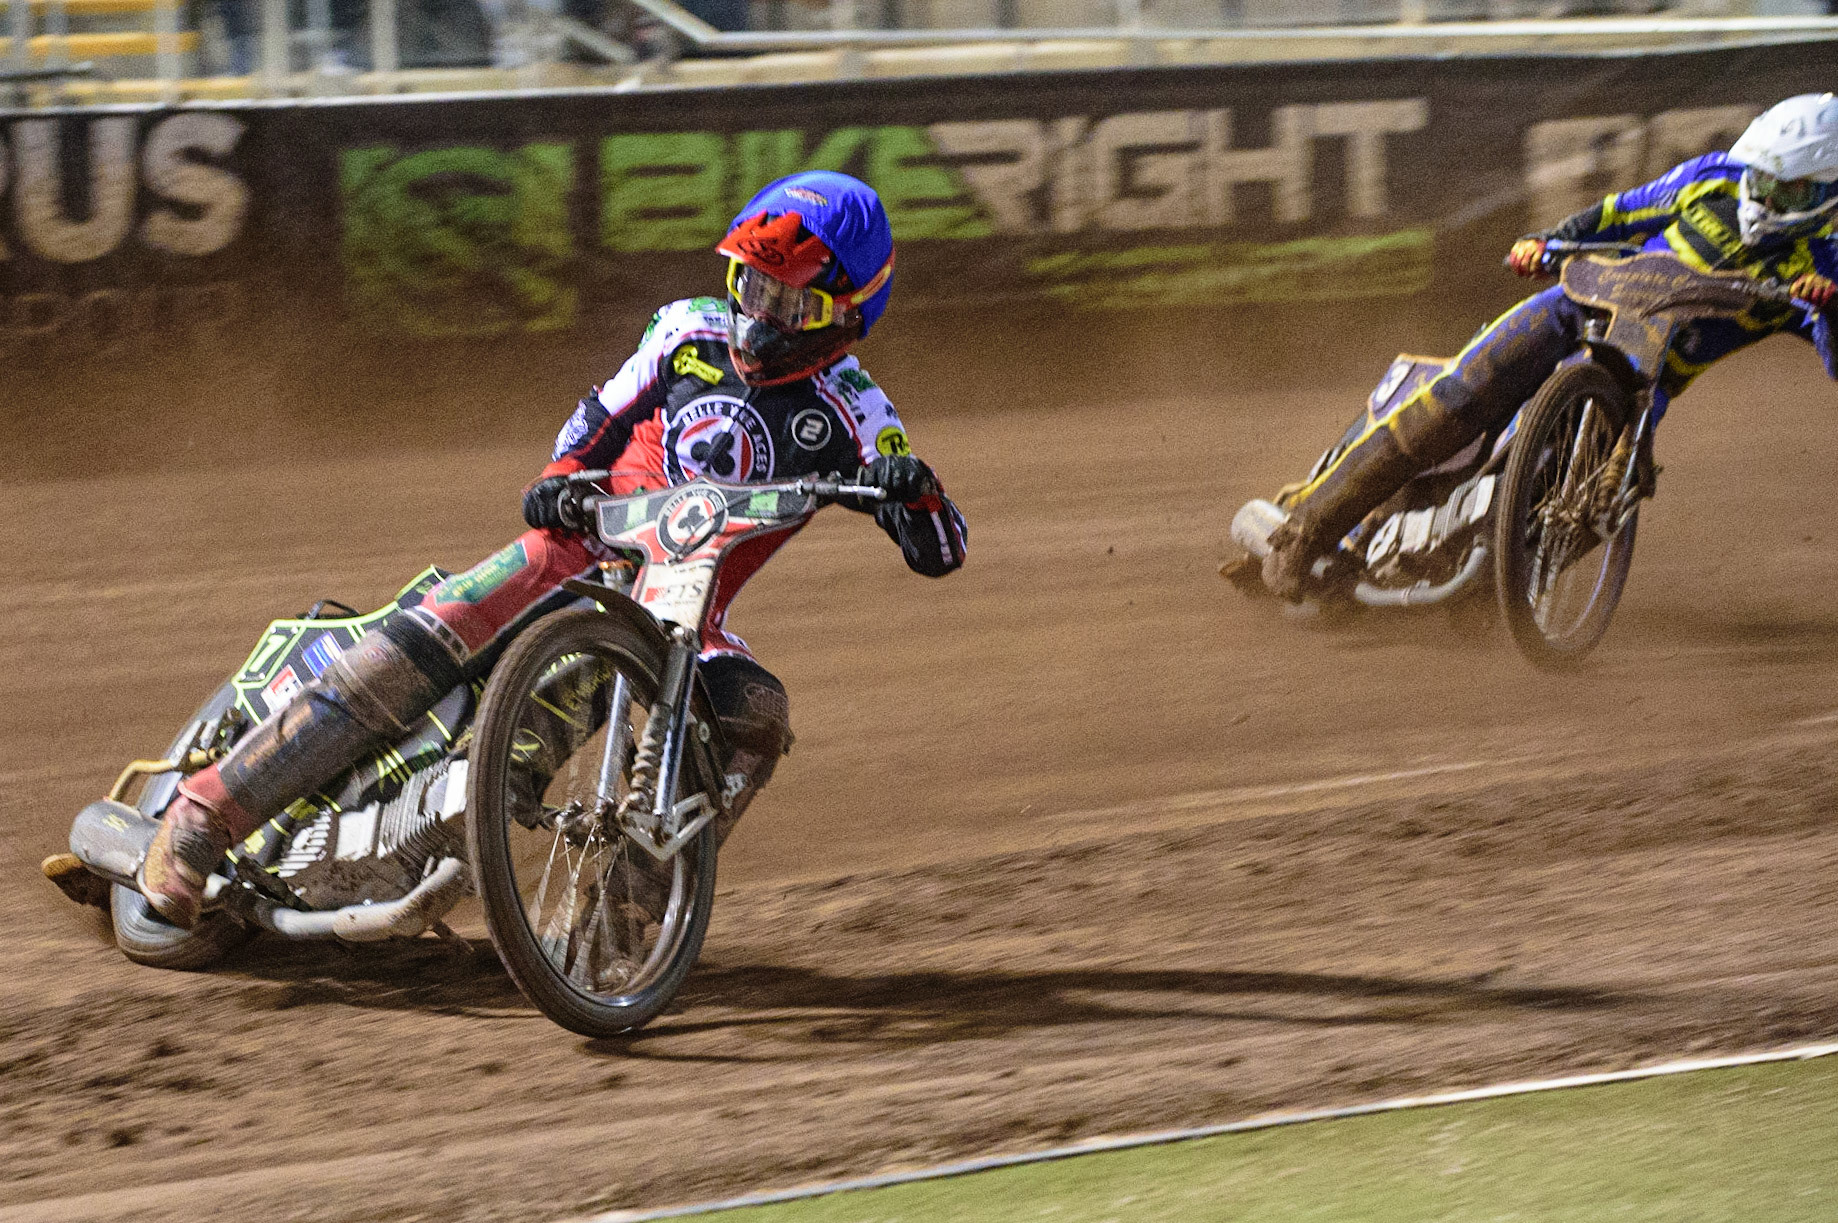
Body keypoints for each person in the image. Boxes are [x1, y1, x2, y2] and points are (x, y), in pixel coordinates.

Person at [137, 170, 967, 929]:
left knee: (756, 718)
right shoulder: (686, 332)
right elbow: (589, 426)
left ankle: (624, 922)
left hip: (685, 607)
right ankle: (204, 813)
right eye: (751, 286)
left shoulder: (856, 410)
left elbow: (940, 548)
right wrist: (564, 479)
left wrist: (912, 489)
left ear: (848, 314)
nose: (760, 316)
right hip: (579, 547)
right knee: (447, 620)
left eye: (788, 305)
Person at [1257, 92, 1838, 601]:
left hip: (1643, 382)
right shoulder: (1714, 176)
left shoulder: (1828, 260)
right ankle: (1303, 532)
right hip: (1574, 309)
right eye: (1760, 177)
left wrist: (1829, 308)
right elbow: (1618, 212)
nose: (1760, 195)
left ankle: (1491, 588)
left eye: (1785, 189)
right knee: (1457, 398)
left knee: (1597, 504)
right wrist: (1548, 243)